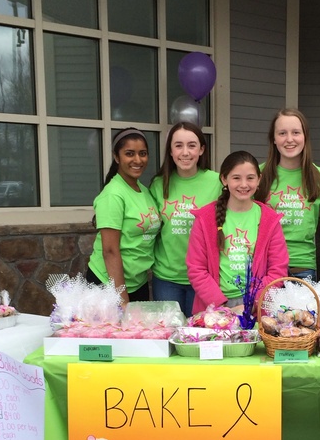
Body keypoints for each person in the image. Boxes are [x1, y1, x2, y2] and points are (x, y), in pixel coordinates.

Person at [186, 151, 289, 316]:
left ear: (259, 179)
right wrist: (222, 305)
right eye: (236, 178)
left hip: (257, 307)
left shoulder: (270, 219)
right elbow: (196, 268)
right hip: (215, 307)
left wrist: (251, 303)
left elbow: (278, 270)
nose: (243, 184)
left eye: (250, 178)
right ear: (224, 179)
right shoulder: (205, 218)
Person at [255, 108, 320, 280]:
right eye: (282, 133)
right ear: (274, 139)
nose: (289, 139)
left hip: (303, 269)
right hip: (264, 267)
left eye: (296, 133)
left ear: (305, 137)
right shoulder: (257, 175)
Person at [149, 122, 222, 315]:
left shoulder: (217, 181)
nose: (185, 152)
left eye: (192, 145)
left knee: (198, 337)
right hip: (166, 277)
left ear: (201, 150)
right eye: (178, 145)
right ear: (171, 151)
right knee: (169, 336)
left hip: (204, 278)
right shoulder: (158, 184)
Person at [86, 128, 160, 304]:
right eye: (129, 154)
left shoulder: (144, 190)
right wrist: (122, 299)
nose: (137, 160)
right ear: (117, 157)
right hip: (108, 286)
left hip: (137, 283)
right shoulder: (113, 195)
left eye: (143, 154)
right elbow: (110, 251)